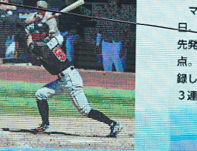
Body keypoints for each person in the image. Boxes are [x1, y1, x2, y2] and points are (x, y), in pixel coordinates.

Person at [21, 1, 122, 138]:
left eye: (36, 33)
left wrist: (27, 32)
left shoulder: (41, 46)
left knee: (85, 110)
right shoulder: (52, 39)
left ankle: (113, 124)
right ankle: (46, 125)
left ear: (43, 34)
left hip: (70, 80)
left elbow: (30, 45)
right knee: (40, 94)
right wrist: (34, 26)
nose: (34, 35)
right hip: (63, 79)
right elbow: (39, 37)